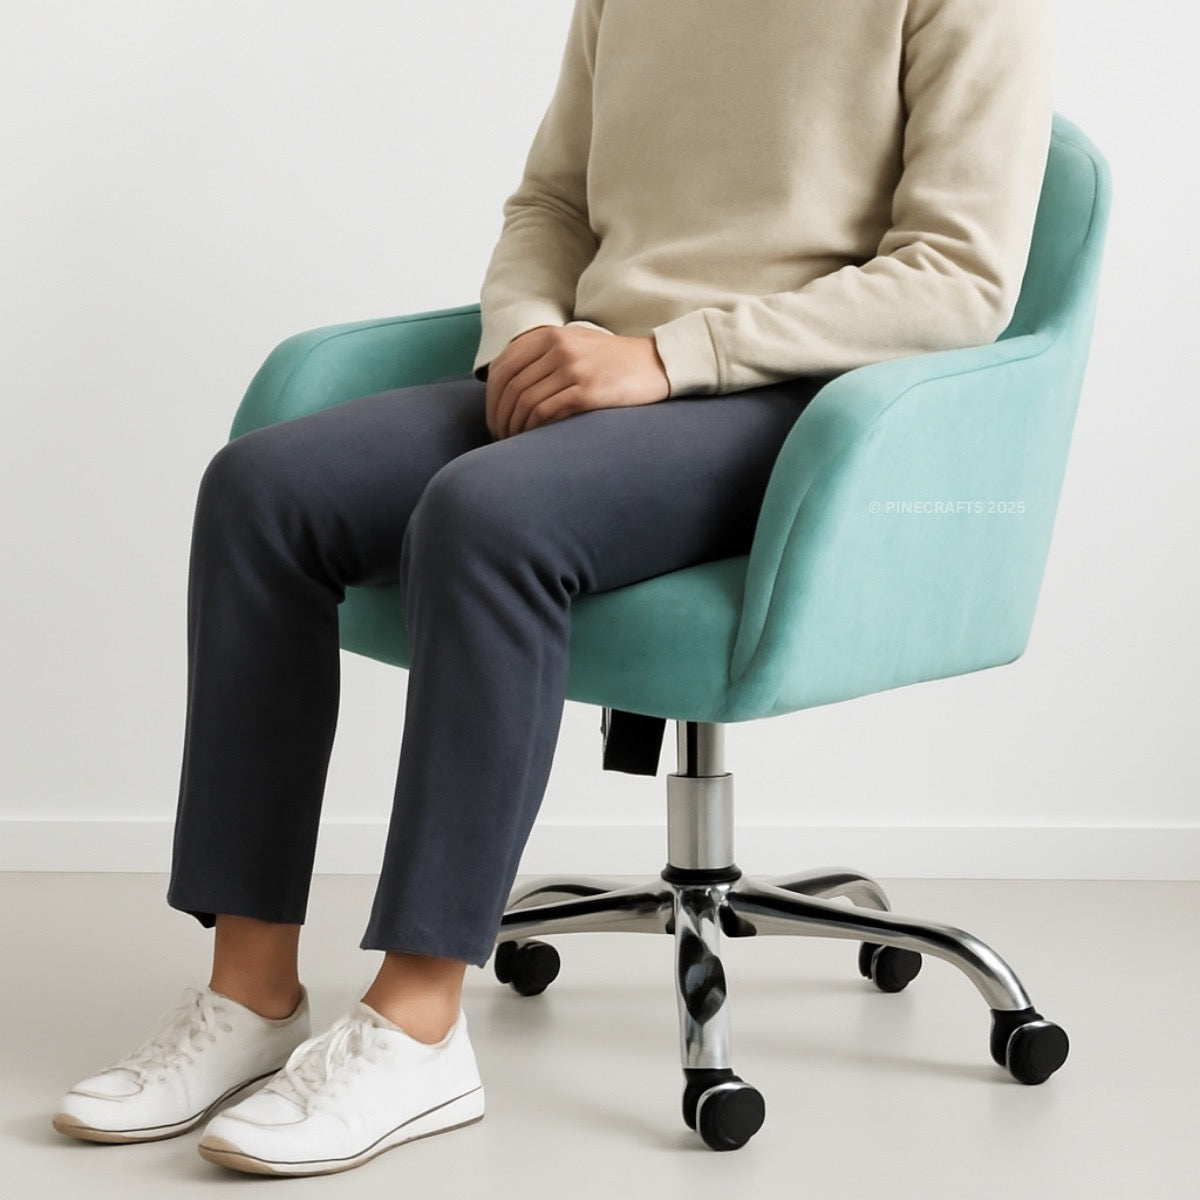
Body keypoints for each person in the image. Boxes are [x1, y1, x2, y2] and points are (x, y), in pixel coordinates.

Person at [51, 0, 1054, 1177]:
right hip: (592, 369)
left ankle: (418, 1022)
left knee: (489, 515)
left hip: (788, 403)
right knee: (262, 493)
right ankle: (251, 990)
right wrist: (526, 343)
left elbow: (958, 278)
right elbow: (555, 206)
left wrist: (671, 359)